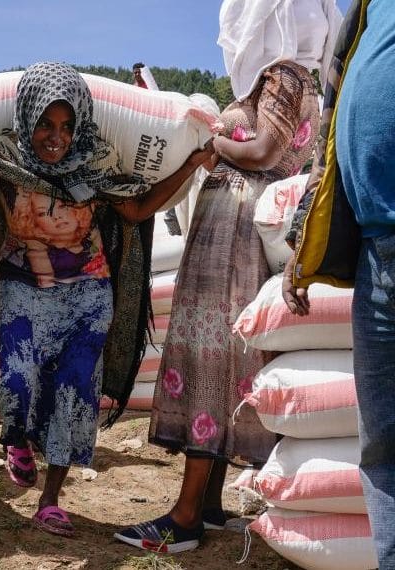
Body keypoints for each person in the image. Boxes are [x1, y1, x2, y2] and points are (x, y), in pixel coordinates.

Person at [0, 62, 215, 537]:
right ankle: (17, 439)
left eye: (68, 126)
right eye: (47, 125)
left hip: (90, 297)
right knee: (16, 384)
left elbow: (135, 209)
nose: (58, 137)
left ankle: (51, 500)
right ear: (27, 117)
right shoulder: (3, 158)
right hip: (24, 288)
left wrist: (192, 164)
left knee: (75, 395)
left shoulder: (95, 163)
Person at [115, 0, 341, 553]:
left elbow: (263, 151)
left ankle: (186, 516)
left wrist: (208, 142)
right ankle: (209, 503)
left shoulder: (282, 74)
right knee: (214, 361)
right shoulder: (299, 79)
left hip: (233, 237)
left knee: (211, 361)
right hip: (230, 232)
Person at [282, 1, 395, 567]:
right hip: (378, 253)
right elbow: (331, 123)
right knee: (383, 445)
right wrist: (307, 235)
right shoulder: (368, 7)